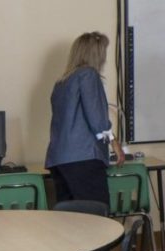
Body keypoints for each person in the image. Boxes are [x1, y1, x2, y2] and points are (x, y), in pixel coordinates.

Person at [45, 31, 124, 206]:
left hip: (59, 161)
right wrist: (114, 142)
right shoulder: (88, 74)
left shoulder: (62, 82)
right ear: (97, 54)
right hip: (83, 158)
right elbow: (97, 119)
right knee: (97, 217)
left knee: (71, 219)